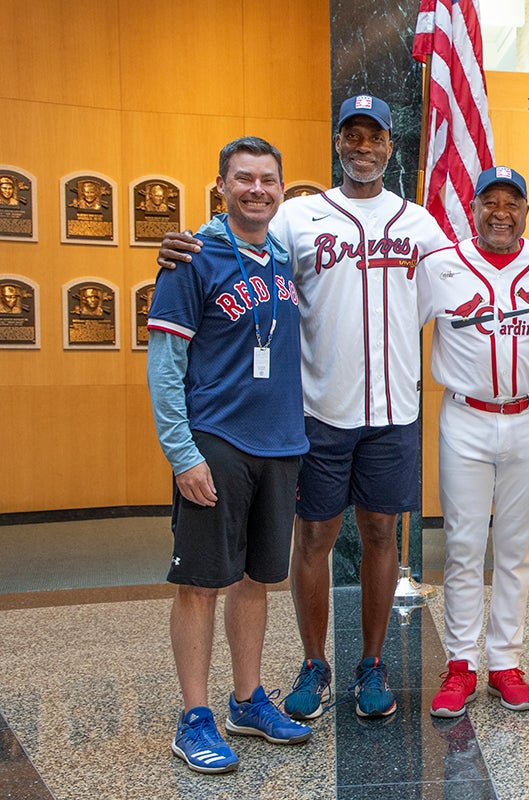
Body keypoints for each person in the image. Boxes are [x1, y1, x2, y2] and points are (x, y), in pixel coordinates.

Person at [156, 94, 529, 721]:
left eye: (373, 136)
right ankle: (314, 663)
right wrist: (188, 242)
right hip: (319, 411)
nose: (362, 146)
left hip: (394, 413)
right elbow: (240, 238)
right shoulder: (300, 216)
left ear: (389, 146)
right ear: (338, 144)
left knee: (383, 534)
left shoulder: (420, 223)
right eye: (351, 135)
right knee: (315, 538)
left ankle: (373, 664)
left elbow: (477, 262)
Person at [146, 136, 312, 774]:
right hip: (215, 443)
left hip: (279, 443)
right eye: (243, 179)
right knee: (199, 584)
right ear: (221, 185)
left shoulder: (281, 257)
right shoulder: (191, 258)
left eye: (268, 180)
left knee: (255, 580)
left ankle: (247, 699)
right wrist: (182, 455)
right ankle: (194, 717)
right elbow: (165, 370)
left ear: (281, 187)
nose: (257, 190)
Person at [418, 166, 529, 718]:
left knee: (516, 547)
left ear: (527, 211)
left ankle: (506, 661)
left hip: (527, 415)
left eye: (513, 201)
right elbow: (397, 323)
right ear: (474, 208)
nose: (501, 212)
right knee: (463, 546)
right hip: (464, 416)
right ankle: (461, 663)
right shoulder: (441, 268)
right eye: (491, 201)